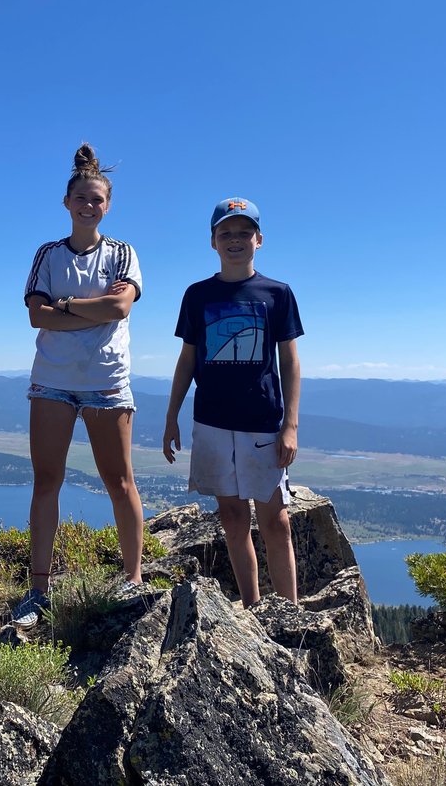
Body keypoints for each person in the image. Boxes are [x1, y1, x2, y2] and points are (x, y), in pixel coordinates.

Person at [11, 143, 146, 629]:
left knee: (120, 481)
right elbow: (35, 315)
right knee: (47, 482)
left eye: (98, 200)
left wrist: (65, 306)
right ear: (67, 203)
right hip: (52, 382)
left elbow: (120, 309)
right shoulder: (47, 254)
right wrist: (86, 308)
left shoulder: (123, 253)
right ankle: (38, 589)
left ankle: (133, 579)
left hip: (107, 383)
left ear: (107, 205)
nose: (89, 206)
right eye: (81, 199)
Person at [162, 197, 303, 607]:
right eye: (226, 233)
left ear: (259, 239)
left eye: (244, 233)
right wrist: (171, 415)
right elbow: (188, 359)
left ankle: (289, 613)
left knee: (276, 521)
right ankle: (254, 607)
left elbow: (290, 361)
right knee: (232, 517)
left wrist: (290, 425)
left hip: (262, 422)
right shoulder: (197, 295)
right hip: (211, 421)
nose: (235, 240)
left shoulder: (278, 293)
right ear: (213, 242)